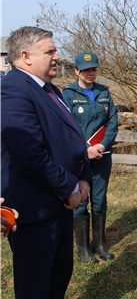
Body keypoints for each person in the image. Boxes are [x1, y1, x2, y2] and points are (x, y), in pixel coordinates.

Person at [1, 26, 92, 298]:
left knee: (58, 276)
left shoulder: (51, 89)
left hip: (59, 207)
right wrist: (70, 189)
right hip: (35, 211)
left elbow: (74, 137)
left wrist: (84, 175)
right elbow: (31, 154)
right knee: (35, 287)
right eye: (50, 51)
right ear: (26, 56)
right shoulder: (13, 90)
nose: (57, 56)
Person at [62, 51, 118, 263]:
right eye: (85, 70)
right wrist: (85, 151)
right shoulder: (67, 94)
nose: (90, 73)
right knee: (80, 200)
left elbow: (112, 122)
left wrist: (102, 144)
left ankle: (100, 244)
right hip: (78, 158)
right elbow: (65, 127)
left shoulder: (104, 92)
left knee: (99, 199)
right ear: (76, 70)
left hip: (102, 155)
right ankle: (83, 249)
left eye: (93, 69)